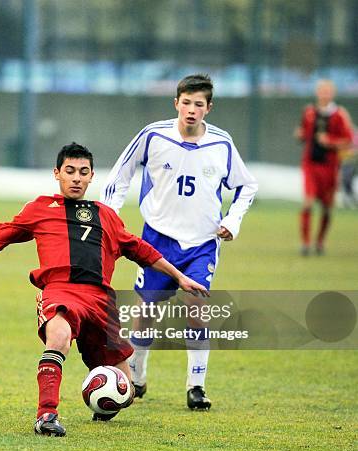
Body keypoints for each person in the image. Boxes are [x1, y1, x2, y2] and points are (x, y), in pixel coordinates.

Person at [0, 142, 208, 437]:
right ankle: (46, 416)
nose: (76, 178)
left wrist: (179, 277)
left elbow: (142, 250)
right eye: (70, 171)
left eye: (83, 172)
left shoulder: (107, 215)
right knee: (59, 337)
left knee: (124, 392)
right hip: (61, 291)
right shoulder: (40, 208)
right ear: (57, 173)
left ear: (91, 177)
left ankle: (102, 399)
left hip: (101, 300)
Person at [100, 74, 258, 410]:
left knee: (196, 309)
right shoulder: (153, 135)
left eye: (198, 104)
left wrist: (232, 220)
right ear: (176, 103)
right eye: (185, 102)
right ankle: (137, 377)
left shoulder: (221, 144)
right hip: (157, 239)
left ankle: (196, 386)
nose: (191, 110)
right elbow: (119, 175)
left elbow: (247, 186)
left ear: (208, 108)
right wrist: (112, 217)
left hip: (202, 243)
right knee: (145, 313)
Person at [294, 79, 353, 255]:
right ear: (317, 93)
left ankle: (319, 242)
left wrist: (330, 141)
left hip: (330, 167)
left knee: (327, 207)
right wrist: (300, 135)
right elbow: (304, 133)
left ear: (332, 93)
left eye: (328, 91)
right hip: (310, 165)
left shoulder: (339, 115)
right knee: (308, 203)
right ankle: (305, 243)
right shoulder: (309, 111)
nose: (324, 94)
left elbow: (349, 140)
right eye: (322, 91)